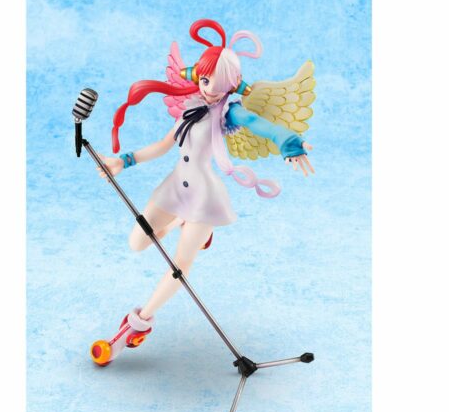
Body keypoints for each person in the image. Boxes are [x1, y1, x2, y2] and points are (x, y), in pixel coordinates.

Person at [90, 19, 315, 366]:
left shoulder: (230, 112)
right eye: (206, 80)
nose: (210, 89)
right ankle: (184, 226)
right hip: (174, 188)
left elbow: (262, 125)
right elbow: (164, 145)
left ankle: (139, 323)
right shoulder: (189, 103)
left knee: (179, 266)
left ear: (232, 86)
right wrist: (124, 160)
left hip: (203, 197)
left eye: (219, 84)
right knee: (137, 242)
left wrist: (289, 143)